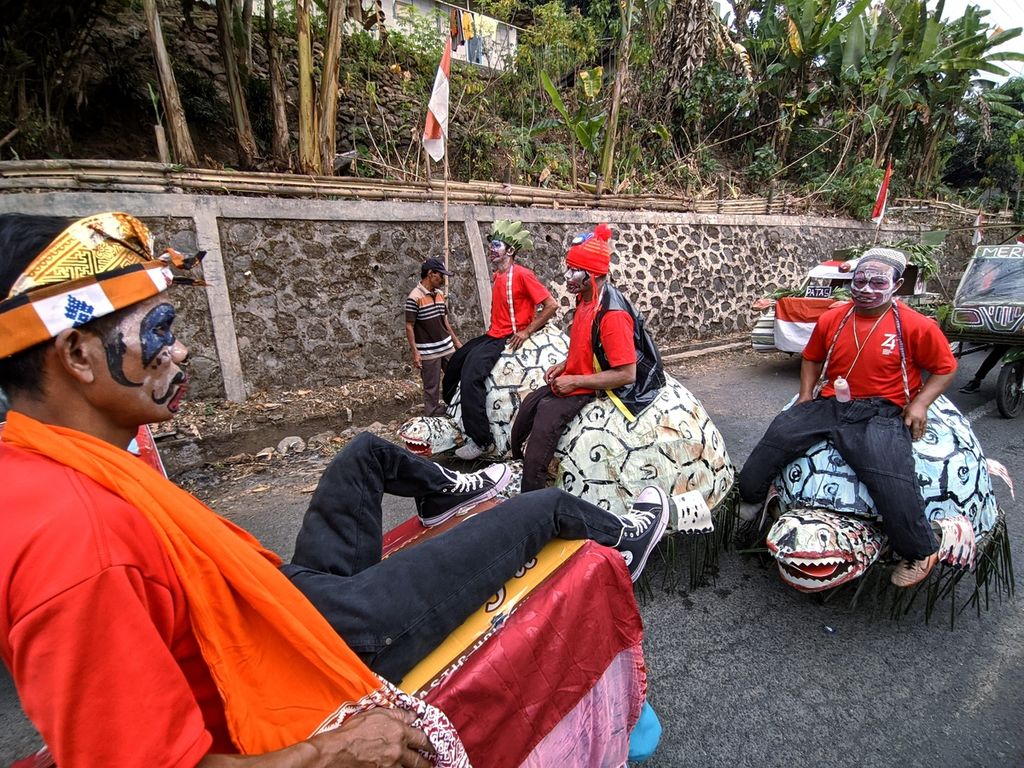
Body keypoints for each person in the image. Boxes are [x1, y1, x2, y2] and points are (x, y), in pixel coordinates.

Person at [0, 212, 670, 767]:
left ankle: (446, 491)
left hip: (284, 604)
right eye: (160, 332)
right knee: (543, 508)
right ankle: (627, 538)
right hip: (334, 638)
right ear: (79, 355)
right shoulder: (74, 539)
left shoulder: (45, 466)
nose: (180, 353)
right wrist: (335, 750)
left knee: (364, 454)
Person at [737, 247, 957, 588]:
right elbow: (811, 358)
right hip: (831, 403)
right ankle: (751, 502)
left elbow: (945, 368)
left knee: (889, 475)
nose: (866, 288)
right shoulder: (833, 317)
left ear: (896, 285)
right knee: (777, 438)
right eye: (860, 280)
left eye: (877, 282)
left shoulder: (915, 325)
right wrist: (807, 394)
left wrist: (920, 404)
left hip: (881, 411)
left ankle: (918, 550)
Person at [510, 223, 665, 492]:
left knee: (545, 420)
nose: (567, 275)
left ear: (592, 274)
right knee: (527, 408)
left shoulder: (613, 316)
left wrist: (574, 381)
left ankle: (532, 499)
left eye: (574, 270)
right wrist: (564, 366)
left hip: (595, 385)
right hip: (578, 376)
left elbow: (627, 374)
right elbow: (585, 346)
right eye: (568, 267)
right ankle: (515, 466)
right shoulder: (585, 298)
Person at [442, 220, 557, 460]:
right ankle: (455, 418)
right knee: (456, 363)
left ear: (511, 251)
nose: (492, 249)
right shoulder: (498, 275)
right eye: (491, 244)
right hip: (492, 333)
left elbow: (551, 305)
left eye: (497, 245)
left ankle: (481, 440)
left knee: (472, 374)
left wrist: (526, 331)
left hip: (506, 337)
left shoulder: (523, 275)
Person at [405, 258, 462, 416]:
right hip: (428, 351)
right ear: (430, 274)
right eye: (440, 275)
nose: (443, 280)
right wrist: (415, 353)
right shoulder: (414, 298)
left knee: (457, 378)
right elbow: (409, 326)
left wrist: (456, 342)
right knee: (431, 386)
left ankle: (456, 406)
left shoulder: (440, 295)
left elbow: (445, 321)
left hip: (446, 346)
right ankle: (432, 414)